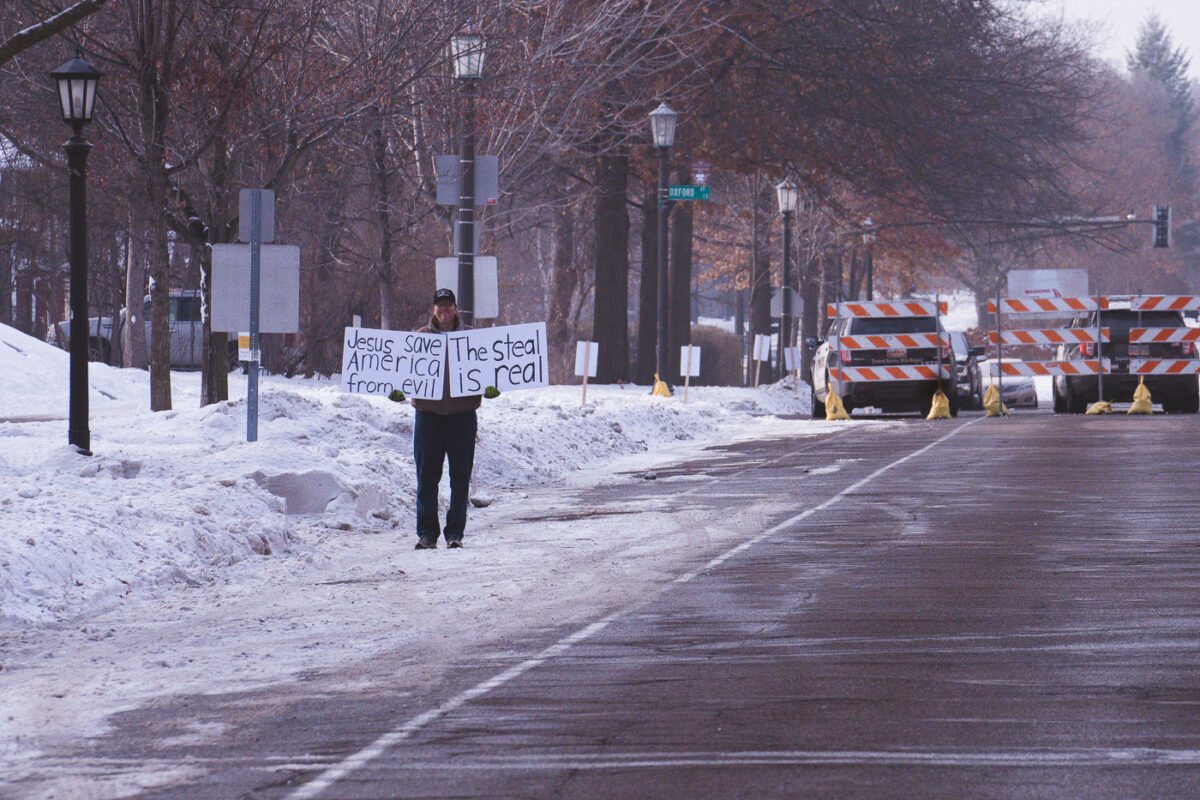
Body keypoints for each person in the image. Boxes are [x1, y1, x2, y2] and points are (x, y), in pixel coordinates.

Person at [412, 288, 481, 549]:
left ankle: (455, 533)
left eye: (448, 305)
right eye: (439, 305)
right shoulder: (419, 339)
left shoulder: (471, 339)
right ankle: (427, 533)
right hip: (427, 416)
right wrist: (396, 390)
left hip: (462, 416)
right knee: (426, 478)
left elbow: (488, 373)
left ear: (455, 308)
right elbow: (404, 374)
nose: (443, 309)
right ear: (433, 309)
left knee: (460, 478)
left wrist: (491, 388)